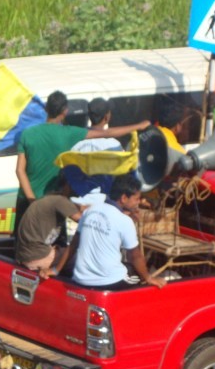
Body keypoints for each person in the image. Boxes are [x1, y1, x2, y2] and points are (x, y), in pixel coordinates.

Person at [14, 90, 150, 232]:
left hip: (27, 199)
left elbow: (19, 170)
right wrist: (138, 126)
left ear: (46, 109)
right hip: (55, 202)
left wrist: (32, 201)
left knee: (21, 240)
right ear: (65, 111)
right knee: (51, 242)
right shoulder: (70, 134)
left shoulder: (27, 134)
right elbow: (106, 133)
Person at [69, 174, 167, 290]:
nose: (138, 202)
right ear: (124, 198)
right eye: (136, 199)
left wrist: (56, 270)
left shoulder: (90, 211)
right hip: (107, 281)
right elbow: (134, 256)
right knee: (139, 275)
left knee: (126, 266)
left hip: (80, 278)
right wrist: (148, 277)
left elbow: (73, 244)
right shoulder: (124, 221)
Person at [15, 182, 83, 279]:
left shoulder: (49, 198)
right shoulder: (60, 201)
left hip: (26, 255)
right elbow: (85, 221)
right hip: (38, 256)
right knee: (80, 259)